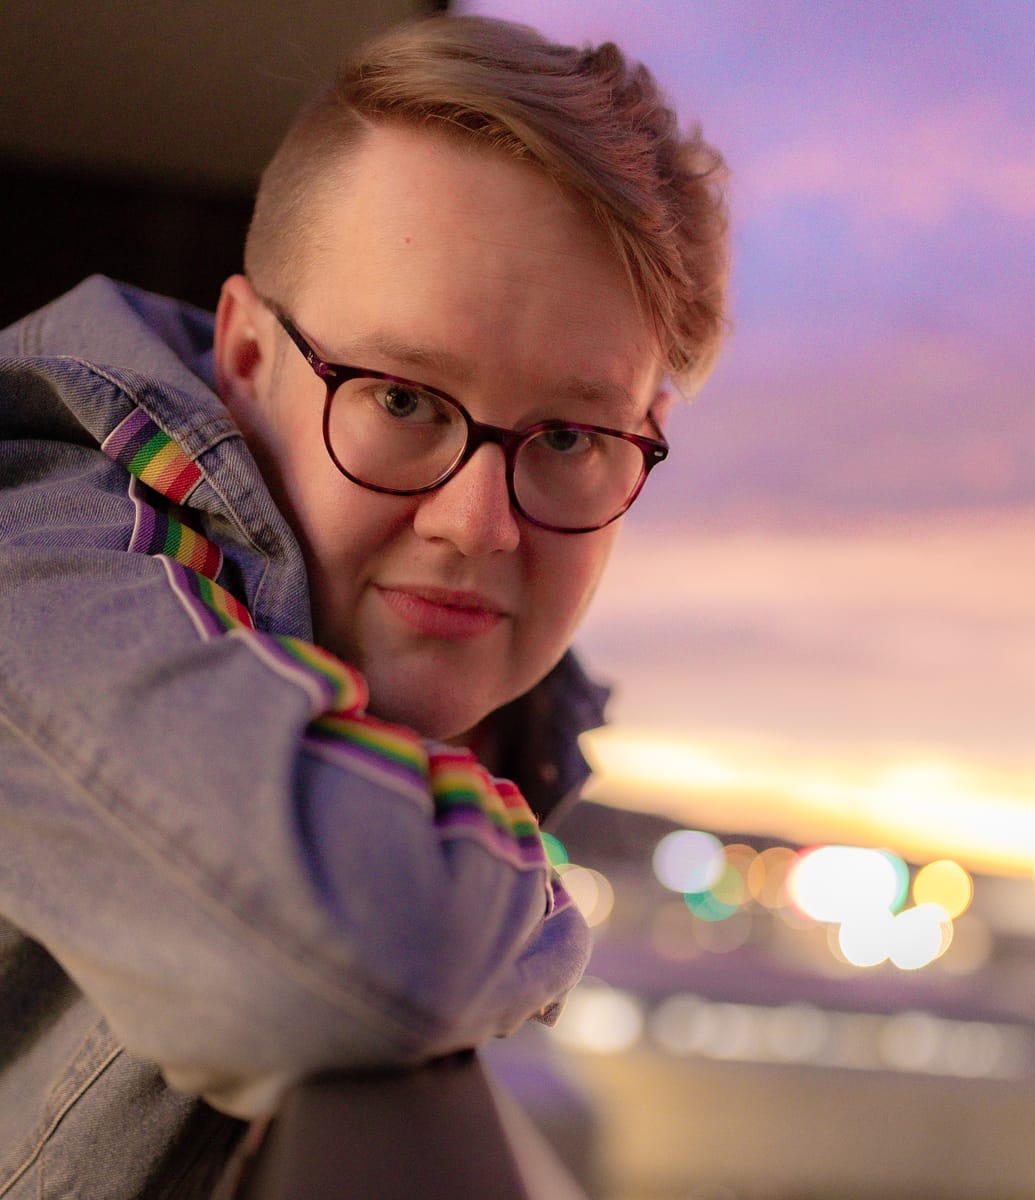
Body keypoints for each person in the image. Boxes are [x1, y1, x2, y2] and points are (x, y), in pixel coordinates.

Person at [0, 13, 728, 1197]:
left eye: (566, 437)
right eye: (402, 399)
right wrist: (532, 895)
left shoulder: (503, 711)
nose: (478, 523)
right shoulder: (36, 546)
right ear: (247, 359)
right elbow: (359, 950)